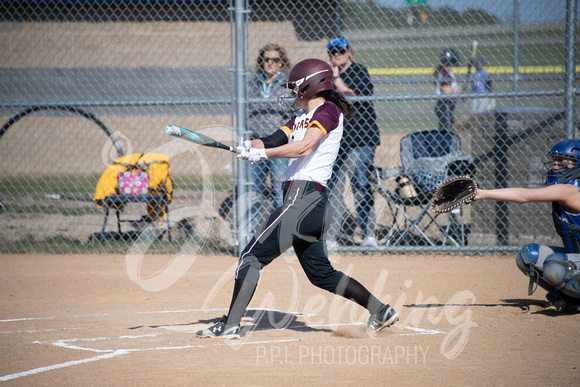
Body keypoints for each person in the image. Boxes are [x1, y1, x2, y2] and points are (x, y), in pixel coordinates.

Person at [196, 59, 399, 339]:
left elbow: (304, 147)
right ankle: (380, 311)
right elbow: (273, 139)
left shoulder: (328, 110)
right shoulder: (300, 118)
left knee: (251, 257)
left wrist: (263, 155)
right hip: (307, 205)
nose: (293, 93)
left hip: (303, 200)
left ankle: (231, 325)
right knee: (321, 274)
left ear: (311, 85)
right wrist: (250, 146)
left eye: (296, 87)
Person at [474, 140, 580, 312]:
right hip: (576, 257)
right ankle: (568, 299)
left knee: (556, 266)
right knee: (528, 256)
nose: (555, 166)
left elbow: (524, 195)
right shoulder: (566, 188)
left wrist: (481, 193)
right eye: (555, 160)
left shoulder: (571, 190)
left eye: (563, 161)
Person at [325, 36, 380, 248]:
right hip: (337, 140)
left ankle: (369, 236)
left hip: (361, 139)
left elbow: (351, 98)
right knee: (332, 188)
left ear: (349, 51)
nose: (336, 55)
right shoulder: (327, 76)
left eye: (340, 50)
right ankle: (331, 237)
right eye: (332, 52)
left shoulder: (359, 71)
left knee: (361, 185)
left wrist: (337, 78)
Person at [246, 44, 292, 230]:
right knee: (253, 191)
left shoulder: (286, 85)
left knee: (280, 192)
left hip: (277, 145)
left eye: (275, 60)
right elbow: (244, 112)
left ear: (281, 63)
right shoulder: (252, 84)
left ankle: (284, 235)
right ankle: (247, 237)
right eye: (266, 59)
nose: (270, 63)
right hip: (256, 143)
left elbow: (293, 115)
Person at [433, 48, 462, 131]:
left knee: (446, 128)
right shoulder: (445, 73)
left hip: (444, 105)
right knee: (448, 129)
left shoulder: (444, 72)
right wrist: (456, 91)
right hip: (445, 104)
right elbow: (446, 90)